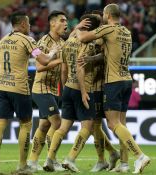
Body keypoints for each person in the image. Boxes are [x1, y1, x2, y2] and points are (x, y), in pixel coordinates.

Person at [77, 3, 150, 174]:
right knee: (121, 123)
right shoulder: (126, 32)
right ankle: (124, 164)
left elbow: (82, 38)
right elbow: (109, 53)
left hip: (113, 81)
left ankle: (139, 156)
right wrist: (92, 58)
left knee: (112, 123)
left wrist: (78, 28)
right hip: (126, 80)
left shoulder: (108, 29)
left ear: (108, 15)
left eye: (103, 14)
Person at [0, 11, 60, 174]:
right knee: (26, 125)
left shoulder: (2, 41)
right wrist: (53, 52)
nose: (29, 26)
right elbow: (43, 60)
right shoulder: (27, 40)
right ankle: (22, 165)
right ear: (22, 24)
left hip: (1, 87)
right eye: (28, 23)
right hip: (19, 88)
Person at [43, 14, 101, 172]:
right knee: (87, 126)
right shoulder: (90, 43)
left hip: (67, 87)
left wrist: (64, 90)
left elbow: (63, 69)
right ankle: (70, 159)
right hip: (84, 88)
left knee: (62, 127)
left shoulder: (67, 42)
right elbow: (81, 68)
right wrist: (83, 92)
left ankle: (49, 159)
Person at [27, 10, 67, 172]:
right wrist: (58, 60)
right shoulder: (43, 41)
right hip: (41, 87)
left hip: (52, 89)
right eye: (62, 21)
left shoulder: (63, 43)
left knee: (44, 125)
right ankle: (52, 160)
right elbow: (38, 66)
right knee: (57, 122)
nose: (66, 24)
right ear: (52, 23)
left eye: (66, 21)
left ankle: (32, 161)